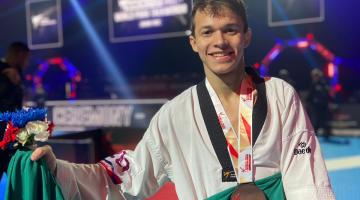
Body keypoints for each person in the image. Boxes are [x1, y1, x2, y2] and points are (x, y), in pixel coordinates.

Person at [31, 0, 335, 199]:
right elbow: (129, 176)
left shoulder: (280, 94)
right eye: (208, 32)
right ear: (194, 42)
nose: (219, 42)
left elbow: (307, 179)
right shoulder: (173, 115)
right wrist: (58, 169)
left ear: (247, 36)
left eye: (230, 30)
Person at [0, 42, 30, 178]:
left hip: (11, 134)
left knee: (19, 176)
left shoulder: (17, 74)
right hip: (3, 134)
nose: (26, 62)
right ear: (19, 55)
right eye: (26, 58)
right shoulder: (5, 71)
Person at [307, 68, 332, 139]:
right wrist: (308, 103)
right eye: (315, 75)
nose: (316, 76)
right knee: (316, 120)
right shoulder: (313, 84)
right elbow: (310, 95)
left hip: (324, 105)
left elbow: (328, 94)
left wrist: (330, 102)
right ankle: (315, 135)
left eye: (317, 75)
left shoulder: (324, 84)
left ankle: (326, 134)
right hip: (315, 106)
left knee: (325, 119)